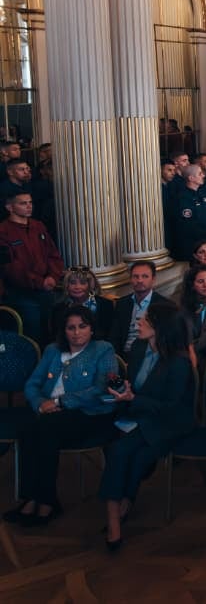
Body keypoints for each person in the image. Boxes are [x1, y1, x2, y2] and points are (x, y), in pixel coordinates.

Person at [5, 307, 116, 528]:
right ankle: (31, 498)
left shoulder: (103, 349)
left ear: (92, 329)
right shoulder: (53, 350)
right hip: (48, 411)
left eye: (82, 327)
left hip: (87, 413)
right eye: (71, 328)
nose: (77, 333)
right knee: (28, 430)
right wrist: (39, 404)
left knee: (45, 430)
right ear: (63, 331)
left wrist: (58, 402)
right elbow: (32, 383)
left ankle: (46, 502)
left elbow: (101, 388)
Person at [100, 302, 196, 552]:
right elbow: (135, 385)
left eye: (144, 320)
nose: (138, 322)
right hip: (139, 413)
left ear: (160, 327)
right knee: (118, 448)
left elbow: (173, 407)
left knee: (123, 451)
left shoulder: (179, 362)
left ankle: (114, 519)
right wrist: (125, 391)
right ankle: (123, 502)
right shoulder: (139, 347)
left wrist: (134, 399)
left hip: (169, 421)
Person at [0, 190, 64, 338]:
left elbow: (53, 254)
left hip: (47, 290)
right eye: (23, 203)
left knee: (52, 331)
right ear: (10, 207)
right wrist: (40, 282)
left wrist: (53, 276)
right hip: (21, 293)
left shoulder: (38, 226)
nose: (29, 206)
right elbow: (10, 268)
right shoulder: (3, 231)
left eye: (30, 202)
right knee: (33, 334)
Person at [106, 261, 177, 355]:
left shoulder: (165, 305)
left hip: (148, 355)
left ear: (153, 279)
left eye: (145, 276)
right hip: (123, 355)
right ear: (130, 279)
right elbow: (114, 336)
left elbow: (166, 339)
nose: (139, 280)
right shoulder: (122, 303)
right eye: (135, 276)